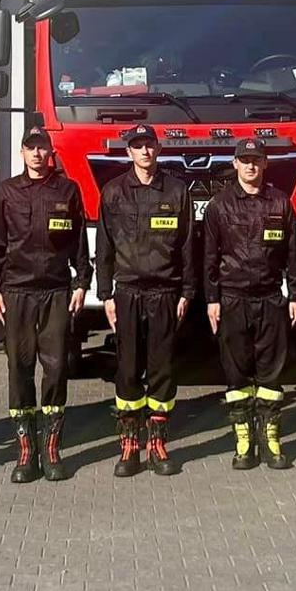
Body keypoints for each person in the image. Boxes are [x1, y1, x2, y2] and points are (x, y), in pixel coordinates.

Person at [0, 126, 91, 483]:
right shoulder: (7, 192)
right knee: (20, 367)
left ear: (50, 153)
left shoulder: (68, 190)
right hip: (16, 291)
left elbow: (79, 244)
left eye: (42, 148)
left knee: (57, 367)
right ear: (22, 153)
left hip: (56, 291)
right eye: (30, 148)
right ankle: (26, 451)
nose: (36, 154)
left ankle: (51, 449)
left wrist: (82, 283)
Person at [95, 123, 196, 477]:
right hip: (127, 293)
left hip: (165, 292)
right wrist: (105, 294)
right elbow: (104, 246)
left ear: (158, 148)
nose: (145, 152)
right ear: (129, 152)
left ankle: (157, 441)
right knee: (127, 369)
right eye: (138, 146)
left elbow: (187, 247)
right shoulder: (113, 193)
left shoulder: (178, 191)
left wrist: (187, 292)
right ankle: (129, 444)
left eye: (149, 145)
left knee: (162, 368)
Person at [202, 138, 296, 470]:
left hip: (271, 298)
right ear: (234, 164)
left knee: (271, 373)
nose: (250, 166)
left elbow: (293, 254)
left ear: (265, 164)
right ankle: (244, 439)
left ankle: (270, 437)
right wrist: (212, 299)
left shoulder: (280, 202)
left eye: (256, 160)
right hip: (232, 299)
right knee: (236, 373)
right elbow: (209, 258)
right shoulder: (219, 206)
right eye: (244, 160)